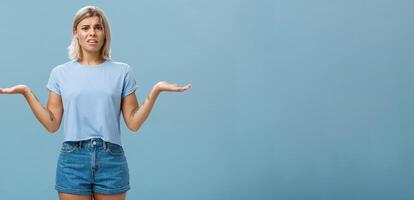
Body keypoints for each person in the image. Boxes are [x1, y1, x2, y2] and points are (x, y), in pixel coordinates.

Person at [0, 5, 191, 200]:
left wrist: (156, 90)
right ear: (76, 32)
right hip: (72, 158)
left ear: (105, 32)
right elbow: (52, 124)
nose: (92, 33)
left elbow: (133, 123)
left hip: (111, 158)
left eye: (98, 27)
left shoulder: (122, 71)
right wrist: (26, 92)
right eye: (85, 28)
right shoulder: (60, 73)